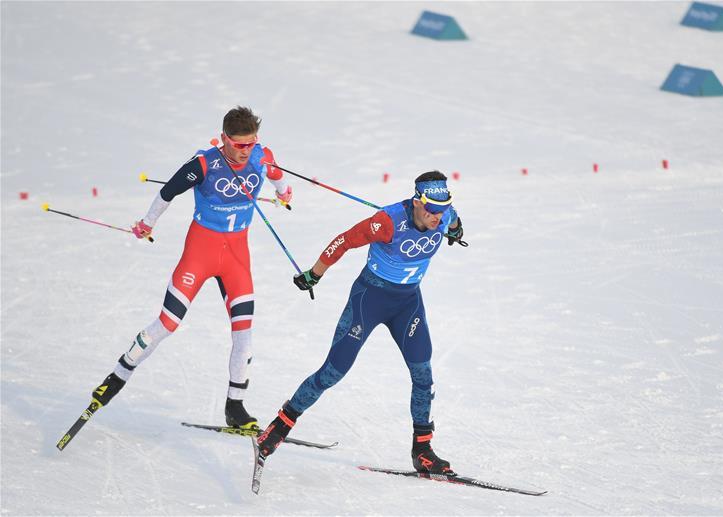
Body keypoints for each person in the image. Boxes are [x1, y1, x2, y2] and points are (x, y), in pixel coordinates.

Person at [87, 106, 293, 429]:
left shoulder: (261, 156)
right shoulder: (204, 164)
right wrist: (147, 223)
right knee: (167, 324)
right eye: (238, 145)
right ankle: (116, 377)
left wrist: (284, 194)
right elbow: (167, 192)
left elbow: (278, 177)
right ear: (224, 139)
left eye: (250, 143)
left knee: (244, 334)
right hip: (200, 253)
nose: (245, 151)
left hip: (237, 258)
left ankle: (236, 407)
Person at [255, 171, 465, 474]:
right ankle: (278, 427)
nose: (438, 216)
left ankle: (422, 450)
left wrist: (456, 231)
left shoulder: (444, 215)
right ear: (418, 202)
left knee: (423, 374)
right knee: (333, 371)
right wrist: (315, 273)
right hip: (370, 300)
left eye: (442, 208)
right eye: (432, 209)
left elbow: (455, 222)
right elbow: (343, 241)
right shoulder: (388, 222)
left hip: (408, 304)